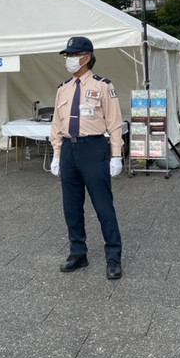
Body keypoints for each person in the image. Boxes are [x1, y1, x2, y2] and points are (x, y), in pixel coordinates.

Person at [50, 36, 124, 280]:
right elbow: (56, 124)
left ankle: (113, 256)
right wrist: (57, 154)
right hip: (70, 151)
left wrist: (116, 155)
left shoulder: (103, 85)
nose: (69, 60)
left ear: (87, 57)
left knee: (103, 206)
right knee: (71, 207)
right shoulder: (63, 89)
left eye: (73, 55)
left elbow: (114, 123)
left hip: (93, 148)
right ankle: (77, 251)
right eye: (68, 56)